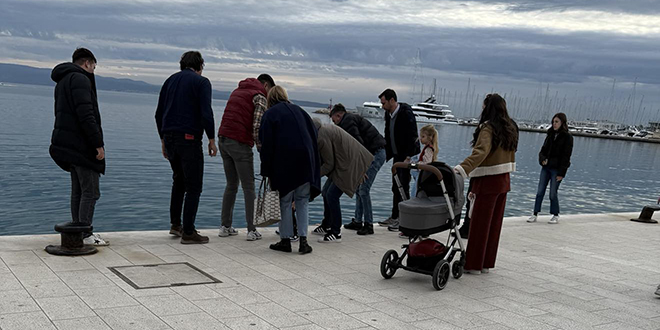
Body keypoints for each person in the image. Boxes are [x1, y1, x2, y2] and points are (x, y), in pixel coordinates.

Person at [155, 51, 217, 244]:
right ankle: (189, 232)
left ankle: (176, 224)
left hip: (170, 137)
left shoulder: (169, 81)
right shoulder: (201, 82)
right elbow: (206, 112)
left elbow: (158, 113)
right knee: (194, 186)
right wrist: (212, 138)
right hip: (189, 139)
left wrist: (163, 139)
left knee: (178, 181)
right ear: (200, 66)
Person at [50, 48, 108, 246]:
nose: (93, 70)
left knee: (78, 191)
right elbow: (86, 115)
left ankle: (77, 230)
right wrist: (97, 144)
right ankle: (85, 233)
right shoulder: (81, 80)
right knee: (91, 191)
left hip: (66, 144)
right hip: (82, 146)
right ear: (87, 63)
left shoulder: (62, 81)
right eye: (93, 66)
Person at [454, 93, 518, 274]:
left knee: (480, 224)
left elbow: (481, 152)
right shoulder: (510, 128)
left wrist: (462, 168)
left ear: (488, 108)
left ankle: (473, 264)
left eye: (483, 106)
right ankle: (486, 263)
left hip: (487, 180)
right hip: (504, 180)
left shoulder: (488, 128)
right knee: (494, 225)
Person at [259, 86, 320, 254]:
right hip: (307, 163)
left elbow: (267, 146)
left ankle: (285, 240)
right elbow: (314, 136)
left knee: (285, 202)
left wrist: (266, 171)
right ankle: (303, 241)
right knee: (302, 201)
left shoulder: (270, 115)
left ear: (270, 99)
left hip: (285, 164)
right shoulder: (301, 112)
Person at [217, 74, 275, 240]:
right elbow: (257, 125)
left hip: (223, 139)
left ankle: (225, 226)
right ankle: (252, 229)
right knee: (248, 187)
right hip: (240, 143)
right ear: (265, 85)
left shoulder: (237, 91)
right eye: (269, 90)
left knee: (231, 184)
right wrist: (261, 149)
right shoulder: (259, 96)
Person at [328, 104, 386, 236]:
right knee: (360, 188)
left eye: (334, 120)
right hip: (373, 153)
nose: (335, 124)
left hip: (375, 154)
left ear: (338, 115)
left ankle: (369, 224)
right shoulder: (350, 119)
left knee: (364, 189)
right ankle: (358, 221)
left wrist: (362, 168)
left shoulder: (347, 122)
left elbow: (358, 145)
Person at [313, 118, 373, 243]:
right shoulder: (324, 129)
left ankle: (336, 232)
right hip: (346, 162)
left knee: (332, 195)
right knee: (326, 192)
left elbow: (329, 164)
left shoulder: (320, 137)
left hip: (348, 164)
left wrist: (313, 175)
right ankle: (327, 225)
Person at [377, 89, 420, 231]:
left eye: (383, 103)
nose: (382, 106)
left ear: (392, 100)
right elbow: (387, 134)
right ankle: (395, 216)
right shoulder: (388, 115)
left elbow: (413, 135)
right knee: (395, 186)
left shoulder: (406, 112)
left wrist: (409, 157)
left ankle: (403, 219)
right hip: (397, 155)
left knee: (403, 186)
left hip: (407, 156)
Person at [527, 113, 574, 224]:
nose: (554, 124)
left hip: (557, 170)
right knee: (540, 191)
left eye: (556, 122)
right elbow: (543, 150)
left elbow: (566, 156)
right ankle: (534, 213)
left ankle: (555, 214)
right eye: (553, 122)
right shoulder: (550, 135)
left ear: (562, 122)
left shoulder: (567, 137)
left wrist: (562, 173)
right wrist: (542, 159)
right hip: (546, 168)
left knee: (553, 193)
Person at [407, 124, 439, 198]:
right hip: (421, 172)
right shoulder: (427, 148)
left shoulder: (429, 150)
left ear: (430, 137)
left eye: (423, 137)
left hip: (422, 173)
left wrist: (417, 164)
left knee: (414, 192)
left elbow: (427, 163)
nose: (420, 139)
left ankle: (413, 199)